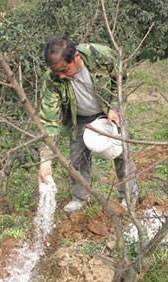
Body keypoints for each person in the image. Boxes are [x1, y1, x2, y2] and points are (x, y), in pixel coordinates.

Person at [38, 34, 137, 212]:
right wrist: (45, 161)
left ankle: (129, 197)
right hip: (79, 118)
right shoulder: (52, 78)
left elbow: (121, 79)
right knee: (77, 158)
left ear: (76, 57)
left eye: (64, 70)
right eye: (56, 72)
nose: (60, 76)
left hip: (108, 111)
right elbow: (49, 119)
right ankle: (80, 197)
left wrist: (115, 106)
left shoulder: (101, 56)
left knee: (122, 153)